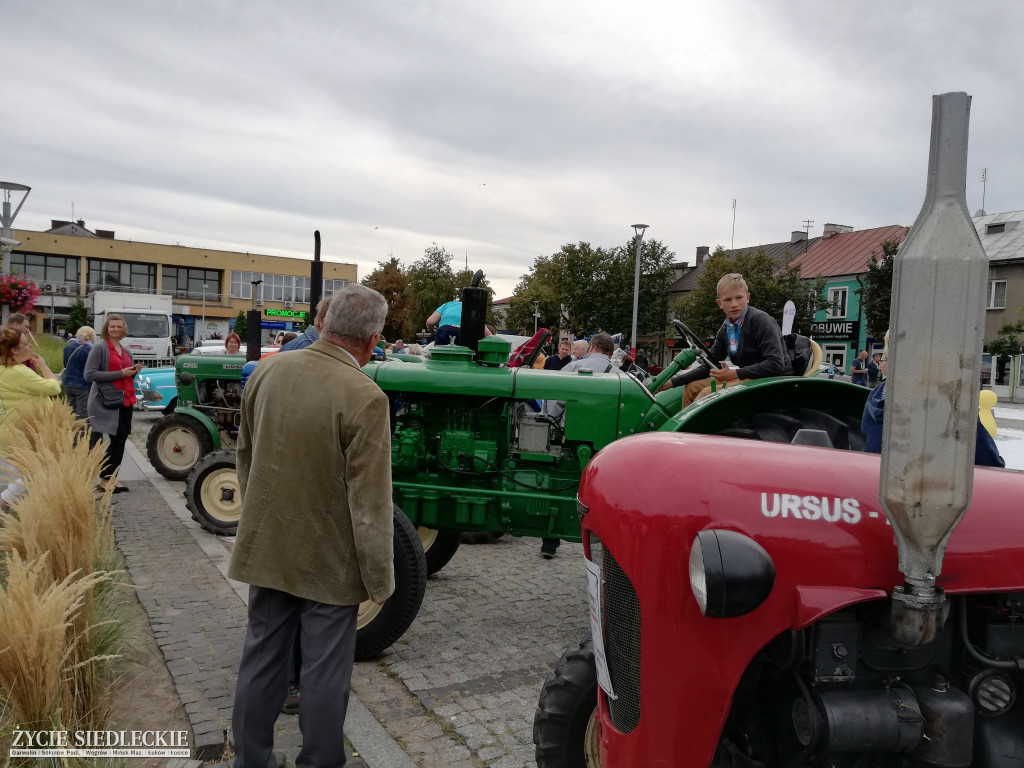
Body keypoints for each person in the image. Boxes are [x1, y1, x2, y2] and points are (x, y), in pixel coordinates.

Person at [229, 284, 395, 768]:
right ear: (372, 340)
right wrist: (380, 577)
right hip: (329, 554)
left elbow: (246, 458)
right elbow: (370, 502)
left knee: (261, 655)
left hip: (268, 541)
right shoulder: (366, 395)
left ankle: (251, 760)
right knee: (325, 668)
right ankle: (321, 761)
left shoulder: (267, 370)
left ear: (324, 323)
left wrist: (257, 516)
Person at [862, 331, 1003, 467]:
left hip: (874, 482)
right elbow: (990, 463)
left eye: (884, 359)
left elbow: (867, 446)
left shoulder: (876, 396)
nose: (881, 366)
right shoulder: (950, 402)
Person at [540, 332, 616, 559]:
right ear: (610, 353)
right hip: (604, 446)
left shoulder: (571, 370)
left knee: (556, 484)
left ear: (591, 347)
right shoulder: (619, 374)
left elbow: (554, 407)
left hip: (570, 440)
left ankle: (550, 543)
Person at [658, 273, 786, 407]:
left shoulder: (761, 321)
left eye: (739, 297)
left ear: (747, 298)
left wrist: (734, 373)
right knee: (691, 388)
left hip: (769, 380)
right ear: (719, 303)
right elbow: (709, 365)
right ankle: (681, 428)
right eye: (728, 300)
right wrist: (672, 382)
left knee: (707, 393)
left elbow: (775, 364)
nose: (734, 304)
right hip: (747, 378)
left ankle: (699, 428)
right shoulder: (726, 329)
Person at [0, 327, 61, 511]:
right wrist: (43, 365)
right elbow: (54, 388)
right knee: (36, 473)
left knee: (25, 477)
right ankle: (3, 503)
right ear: (14, 350)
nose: (31, 347)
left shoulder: (4, 370)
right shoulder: (18, 372)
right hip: (22, 435)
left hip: (11, 432)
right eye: (26, 344)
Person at [84, 315, 143, 494]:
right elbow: (89, 375)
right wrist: (120, 373)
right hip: (106, 401)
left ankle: (108, 477)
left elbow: (124, 375)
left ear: (124, 329)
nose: (115, 329)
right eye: (112, 327)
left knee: (121, 439)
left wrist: (133, 372)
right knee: (117, 439)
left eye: (119, 326)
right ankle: (106, 478)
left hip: (125, 399)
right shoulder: (100, 349)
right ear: (106, 329)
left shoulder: (126, 351)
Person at [62, 326, 97, 423]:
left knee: (69, 413)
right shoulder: (90, 349)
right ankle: (80, 437)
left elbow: (65, 364)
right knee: (82, 415)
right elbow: (91, 368)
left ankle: (68, 434)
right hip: (83, 385)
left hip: (68, 383)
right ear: (92, 336)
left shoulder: (68, 346)